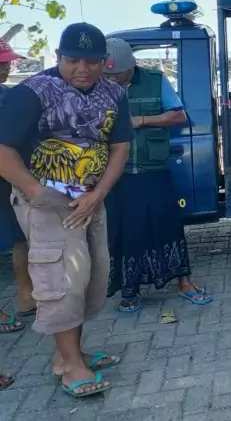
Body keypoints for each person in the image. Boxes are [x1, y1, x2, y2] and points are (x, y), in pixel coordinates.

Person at [0, 22, 133, 398]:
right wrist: (35, 192)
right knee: (60, 282)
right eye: (73, 60)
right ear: (58, 56)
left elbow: (120, 146)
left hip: (90, 200)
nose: (82, 69)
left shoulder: (113, 92)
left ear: (103, 61)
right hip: (46, 203)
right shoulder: (32, 92)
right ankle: (71, 366)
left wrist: (99, 193)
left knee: (89, 280)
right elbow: (3, 149)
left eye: (91, 61)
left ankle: (70, 354)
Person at [101, 39, 211, 313]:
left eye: (117, 74)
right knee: (126, 231)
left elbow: (178, 117)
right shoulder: (97, 86)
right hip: (118, 173)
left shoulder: (155, 80)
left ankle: (184, 282)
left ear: (132, 66)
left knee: (167, 224)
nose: (111, 79)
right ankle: (130, 290)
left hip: (154, 168)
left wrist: (141, 121)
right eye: (107, 73)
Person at [0, 40, 36, 332]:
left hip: (10, 177)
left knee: (21, 237)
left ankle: (26, 295)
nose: (5, 67)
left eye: (7, 61)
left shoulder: (10, 95)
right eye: (1, 62)